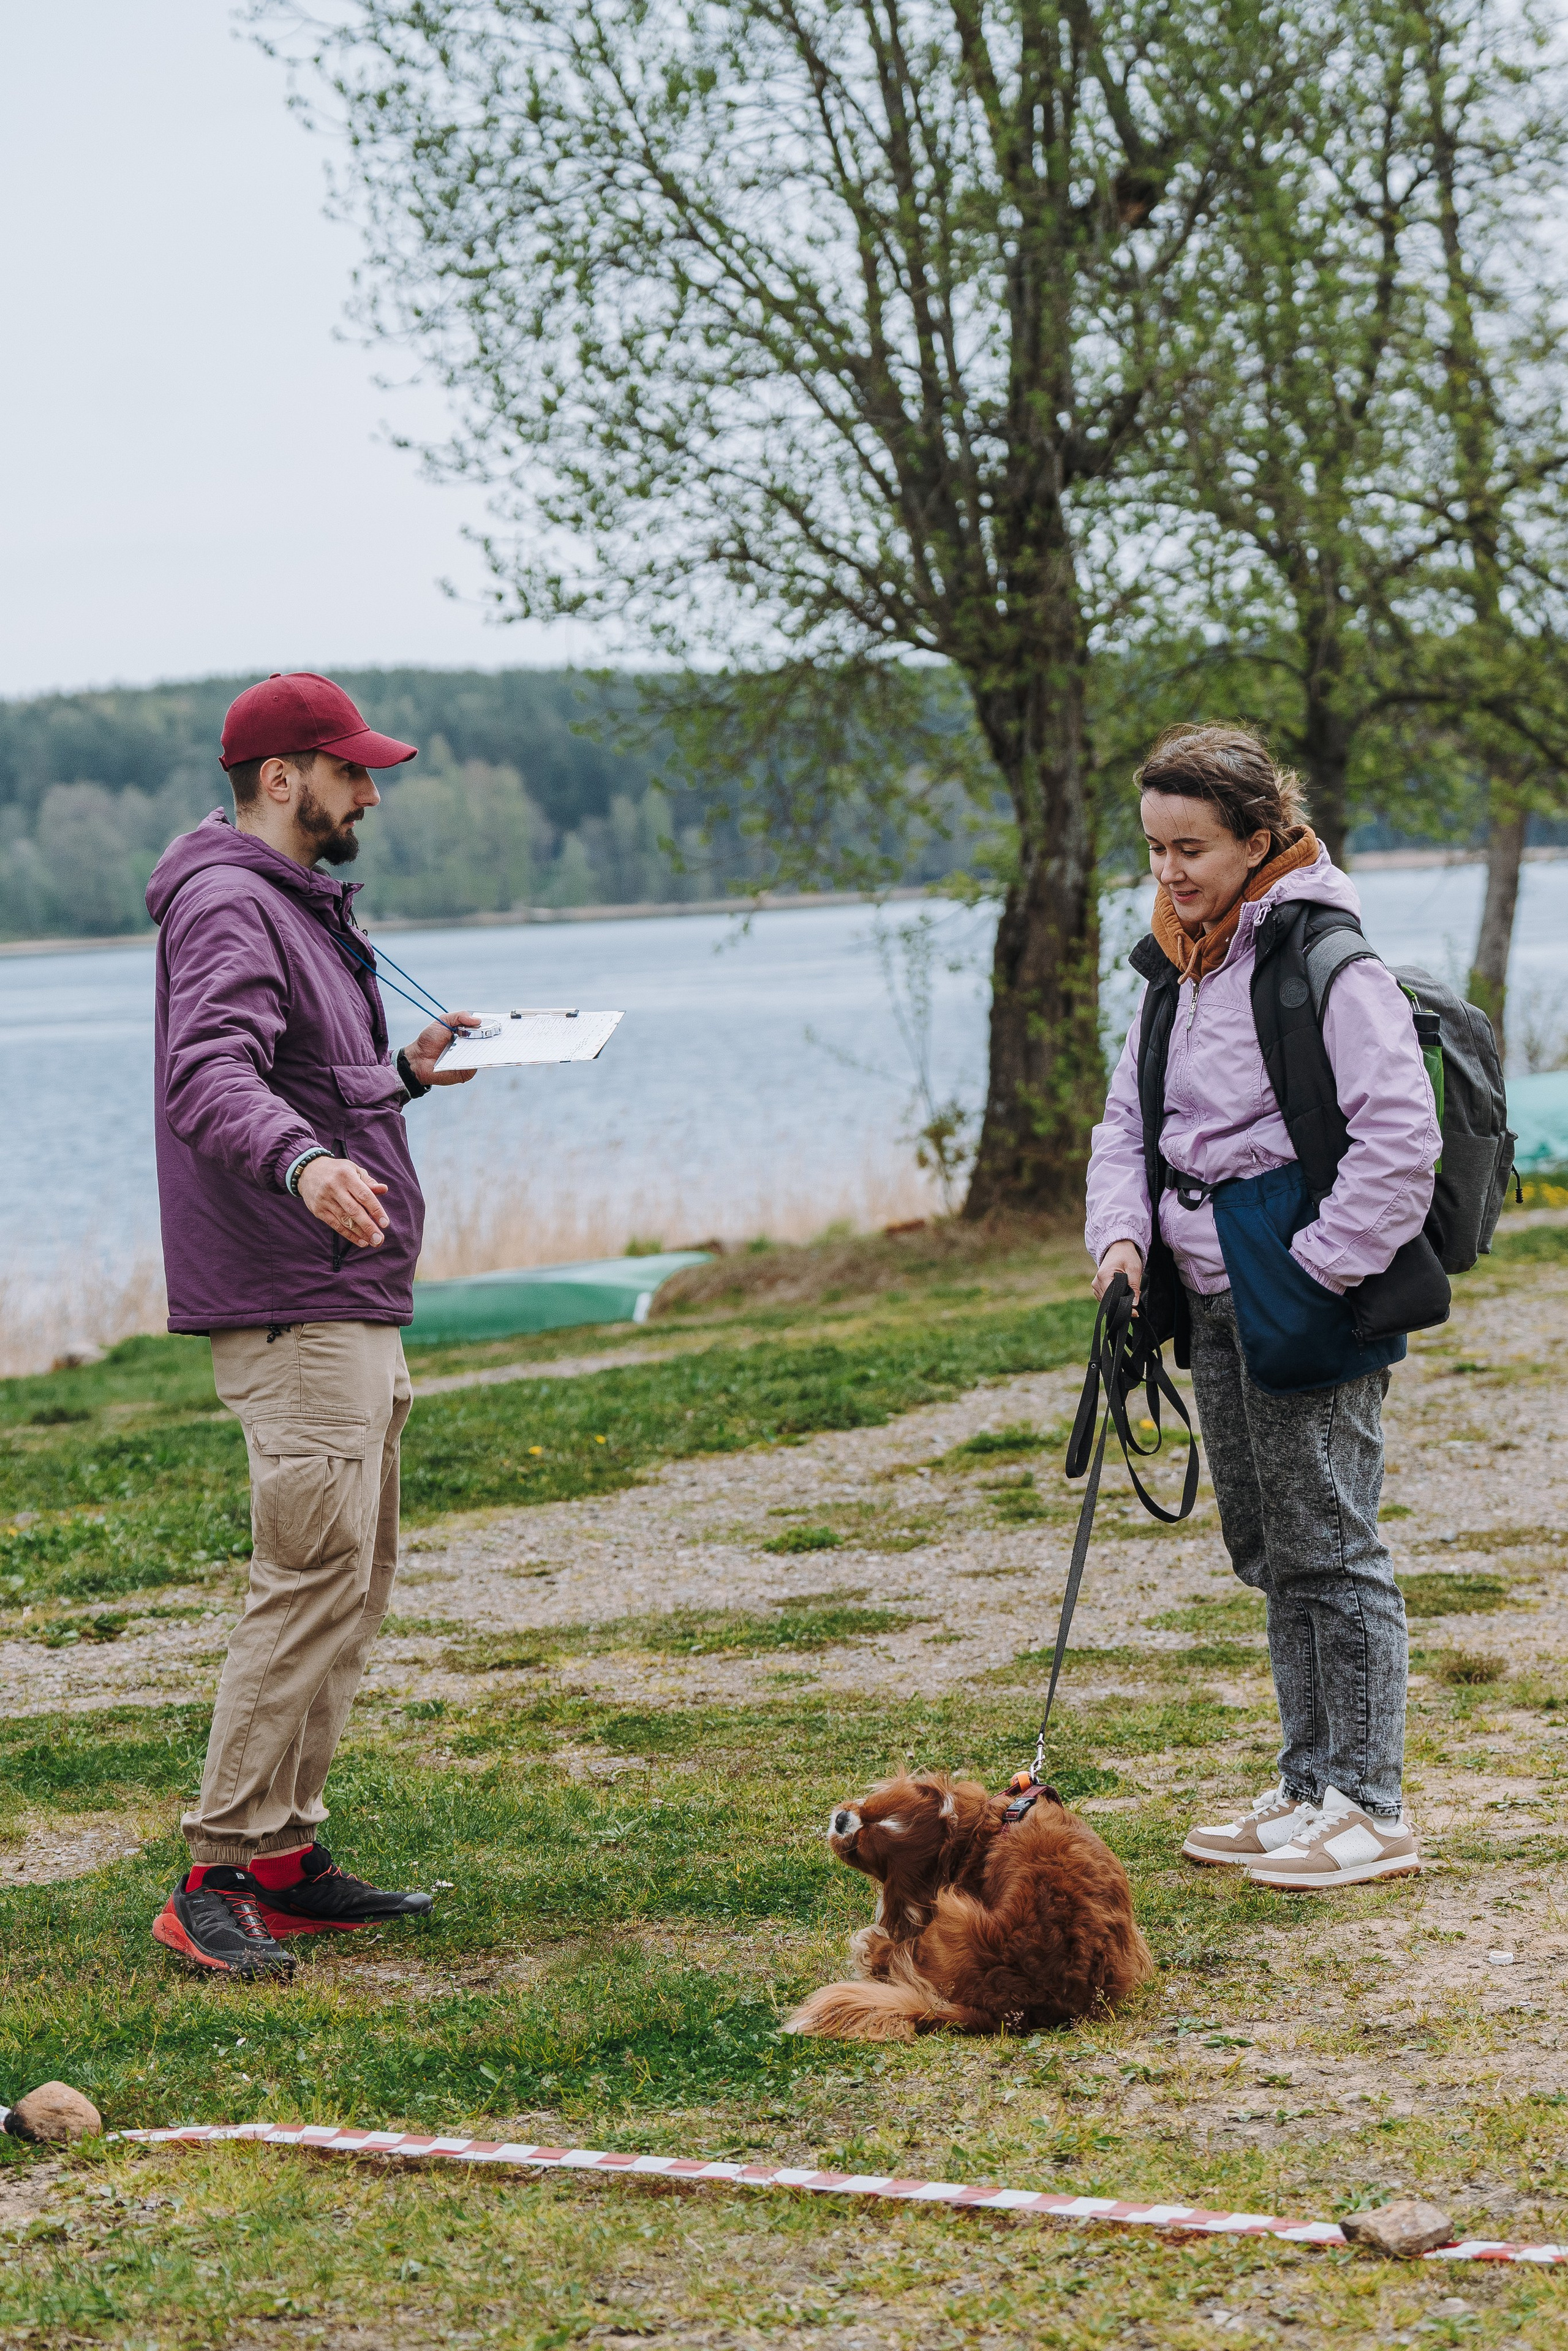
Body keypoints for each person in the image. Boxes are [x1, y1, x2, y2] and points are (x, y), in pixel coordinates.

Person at [144, 671, 480, 1978]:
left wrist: (396, 1077)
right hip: (292, 1294)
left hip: (343, 1293)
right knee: (304, 1582)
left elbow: (290, 1071)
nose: (369, 792)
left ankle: (286, 1855)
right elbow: (209, 1076)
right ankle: (213, 1872)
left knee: (353, 1575)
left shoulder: (290, 904)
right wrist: (302, 1166)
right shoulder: (232, 901)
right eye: (348, 772)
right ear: (281, 778)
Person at [1085, 725, 1441, 1890]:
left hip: (1299, 1287)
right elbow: (1128, 1128)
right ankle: (1306, 1786)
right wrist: (1124, 1242)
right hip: (1209, 1290)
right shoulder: (1174, 963)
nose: (1170, 872)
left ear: (1256, 838)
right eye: (1153, 849)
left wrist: (1321, 1267)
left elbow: (1401, 1138)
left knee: (1334, 1543)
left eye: (1191, 847)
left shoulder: (1326, 961)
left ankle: (1371, 1804)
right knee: (1270, 1548)